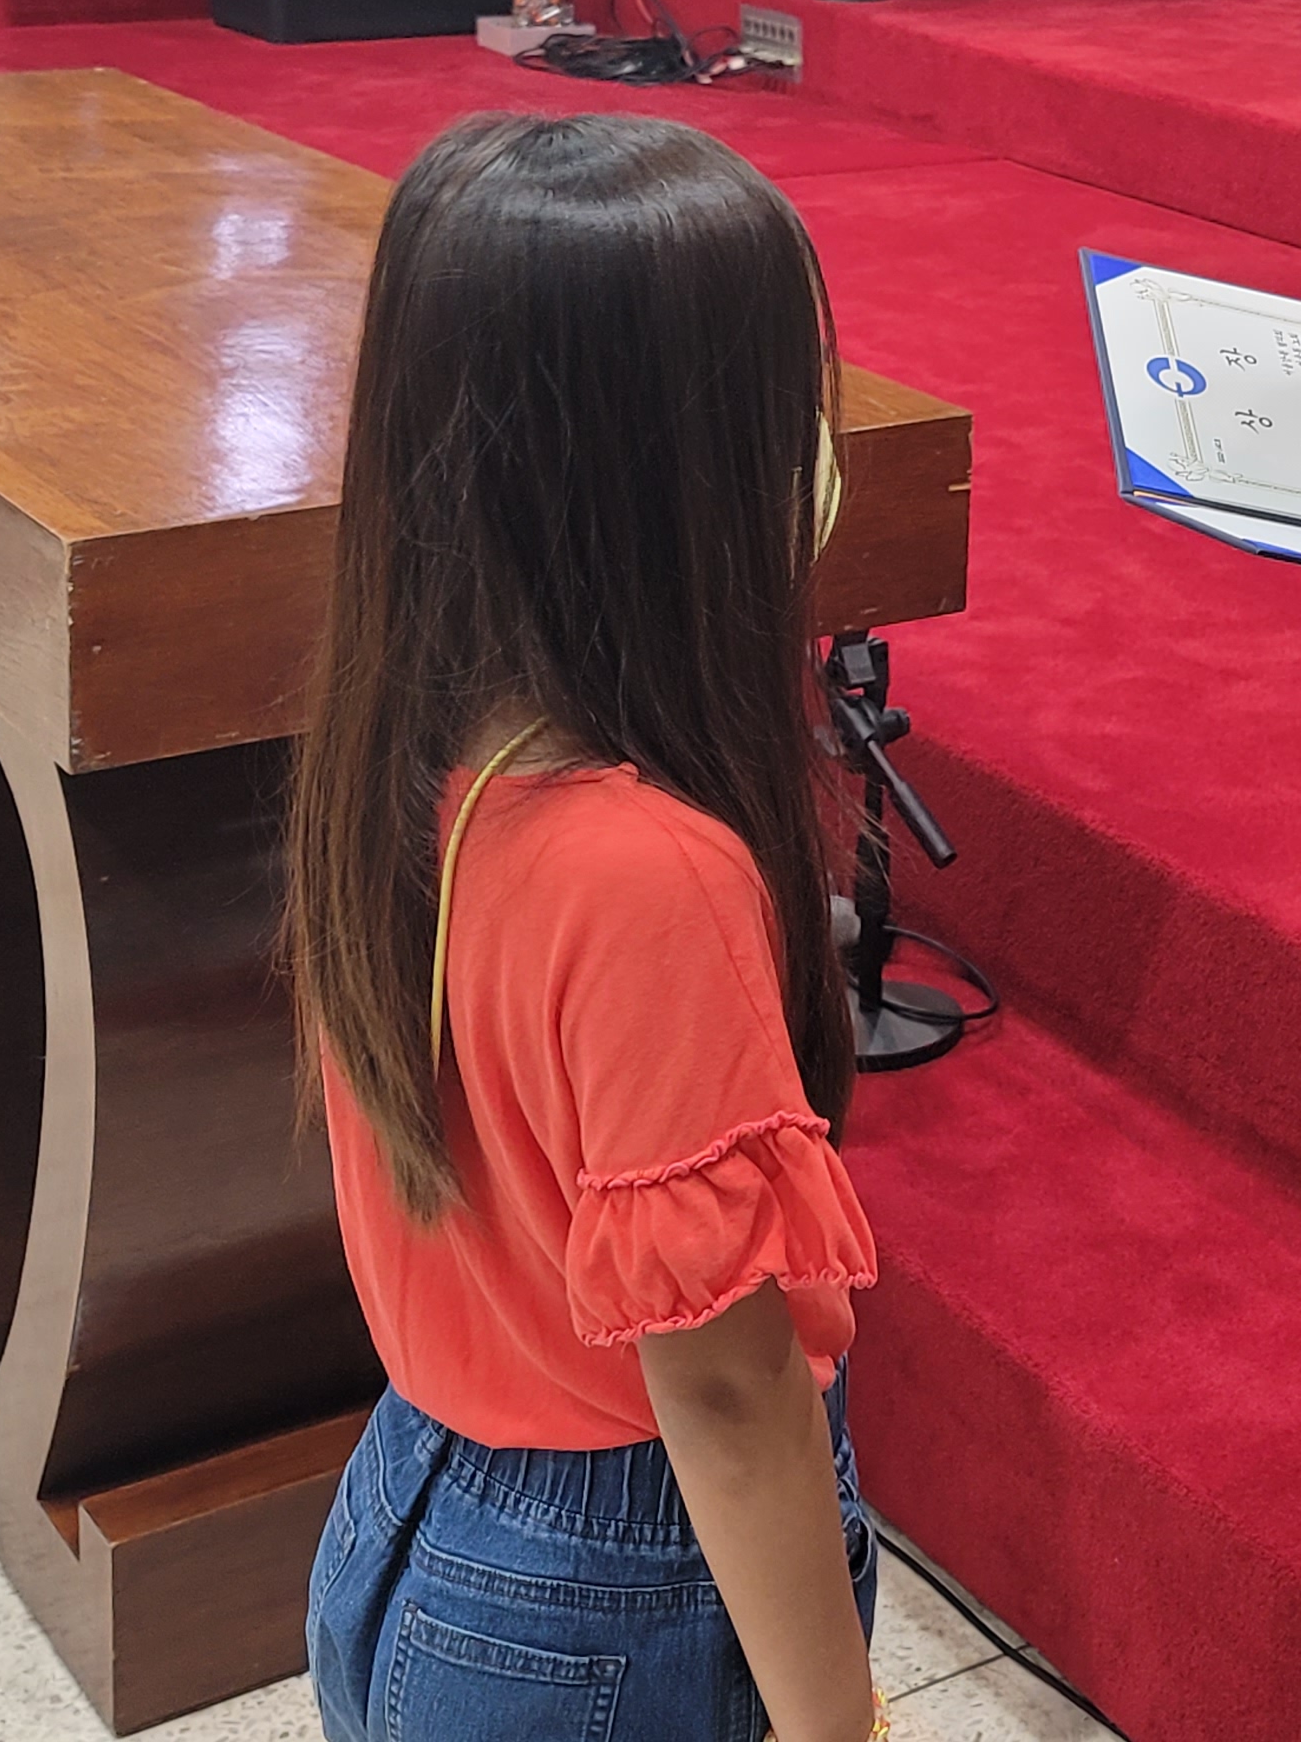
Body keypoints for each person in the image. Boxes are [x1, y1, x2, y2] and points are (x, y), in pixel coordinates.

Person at [290, 112, 885, 1742]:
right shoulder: (645, 872)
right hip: (609, 1586)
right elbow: (726, 1389)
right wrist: (842, 1728)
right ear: (673, 478)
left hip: (416, 1494)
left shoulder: (401, 749)